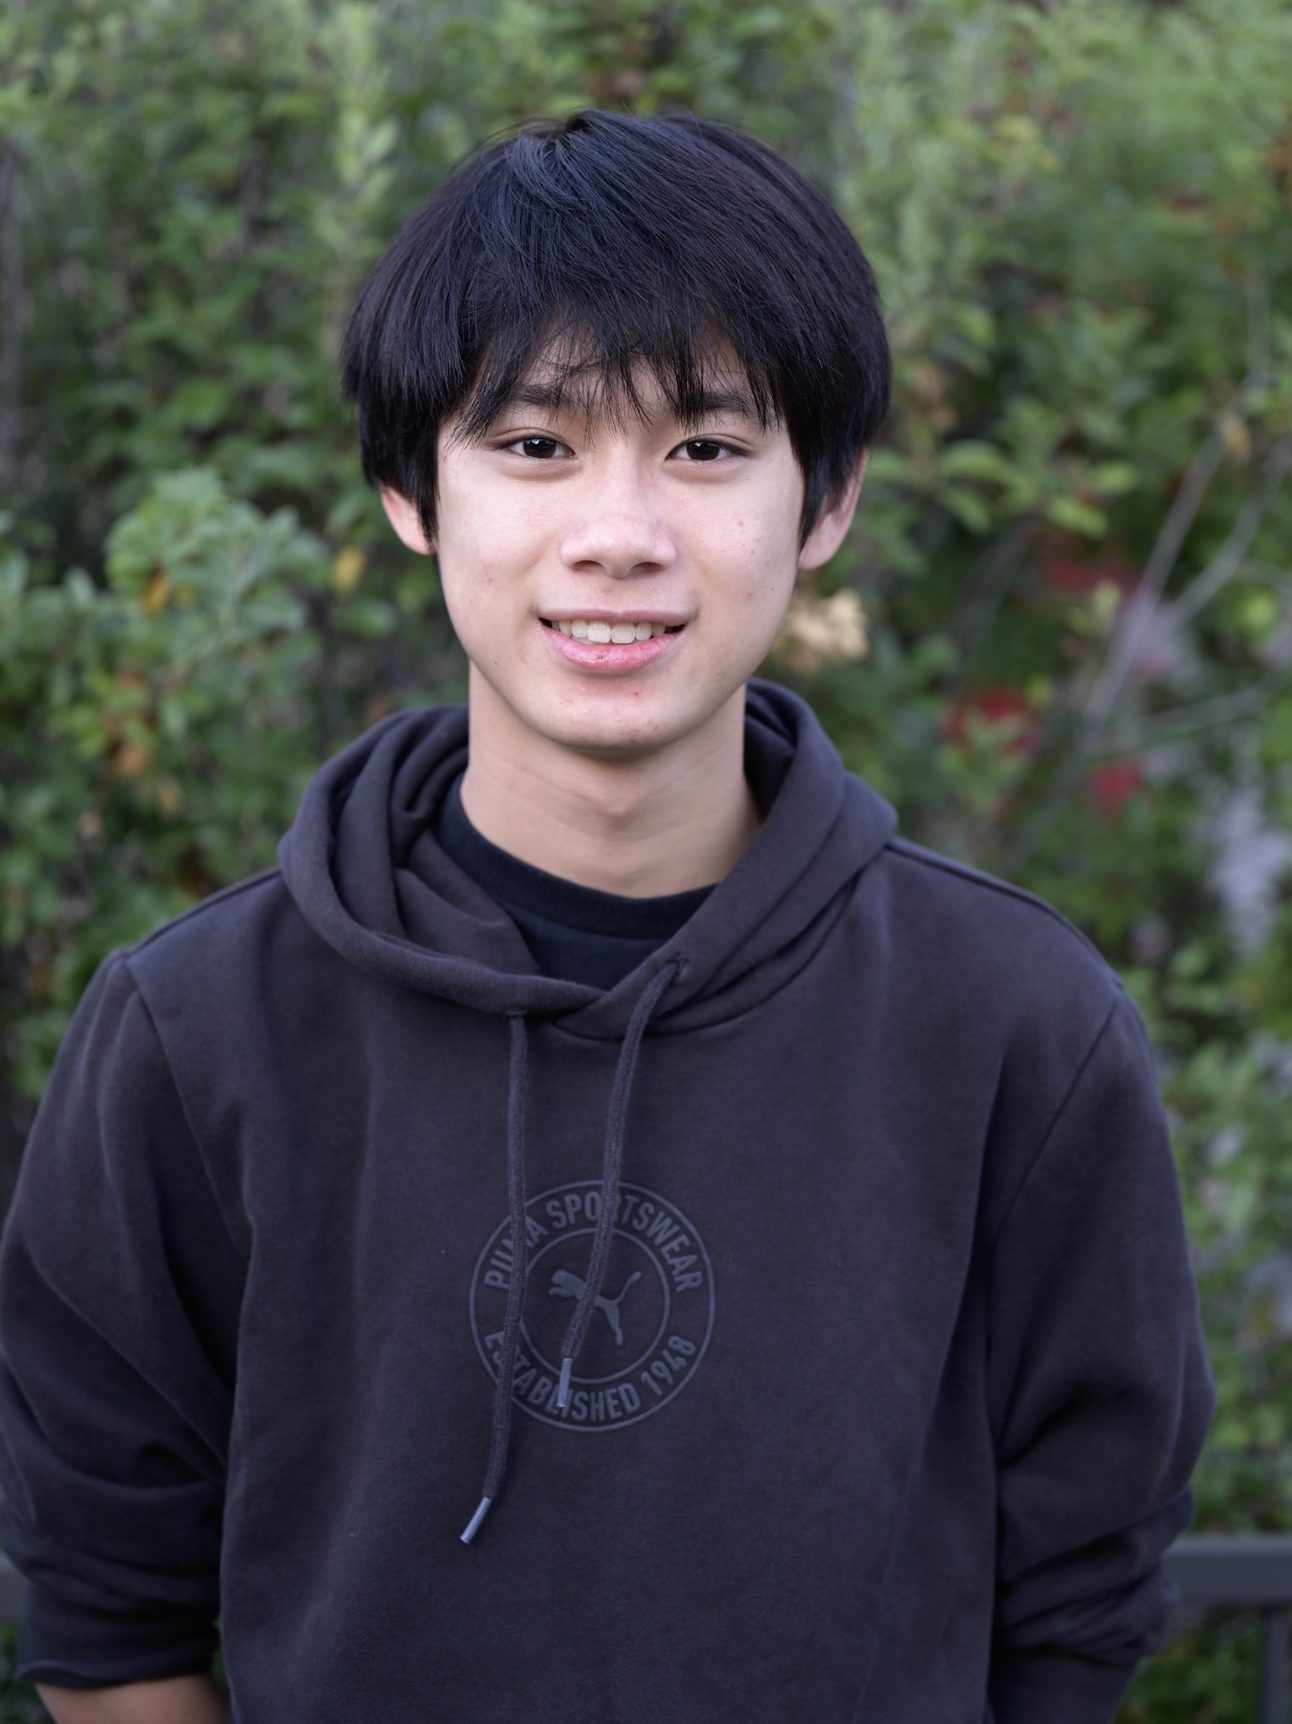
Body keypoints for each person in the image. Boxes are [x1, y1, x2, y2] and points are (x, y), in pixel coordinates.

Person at [0, 109, 1213, 1723]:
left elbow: (1079, 1605)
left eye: (706, 449)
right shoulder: (198, 1027)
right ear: (410, 491)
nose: (619, 537)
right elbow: (107, 1616)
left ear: (828, 500)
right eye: (536, 445)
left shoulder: (1014, 1026)